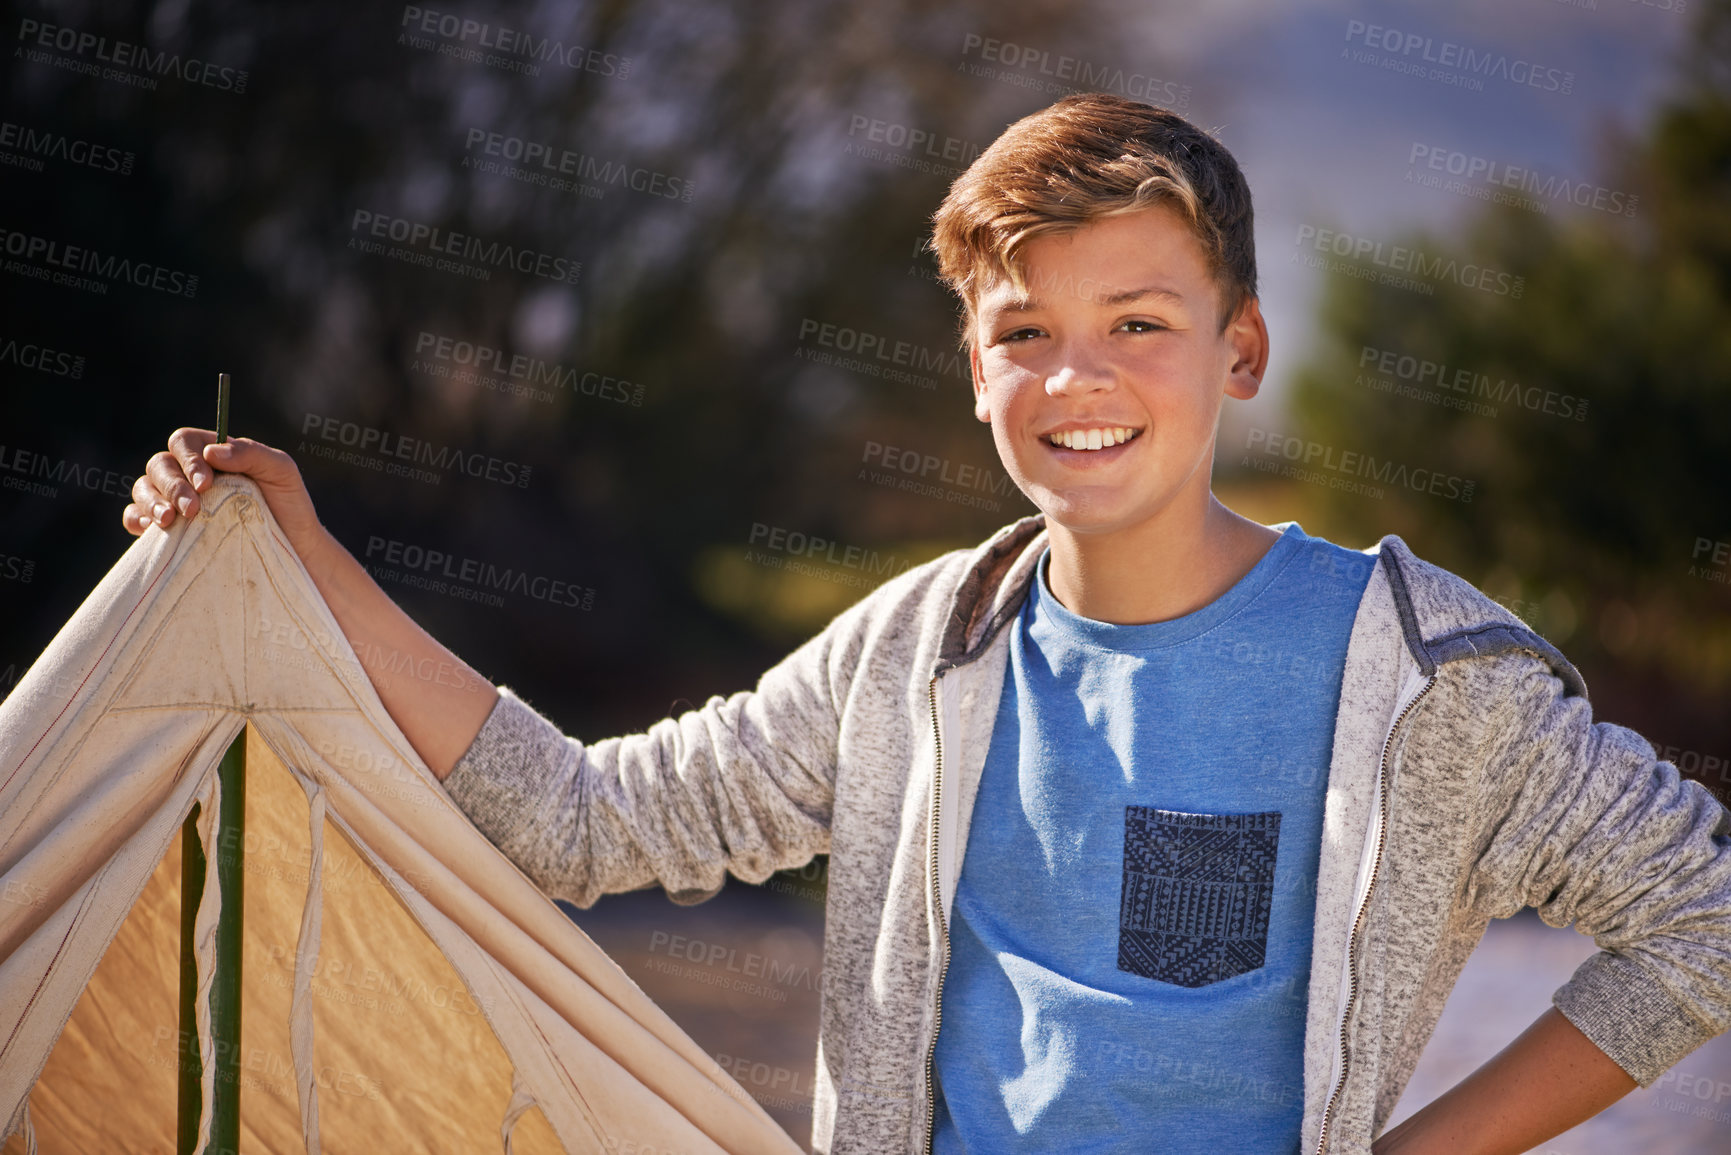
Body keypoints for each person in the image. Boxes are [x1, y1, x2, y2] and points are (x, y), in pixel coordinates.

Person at [122, 92, 1731, 1155]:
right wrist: (300, 553)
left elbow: (1705, 925)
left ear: (1239, 353)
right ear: (973, 371)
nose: (1077, 377)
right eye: (1024, 331)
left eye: (1141, 324)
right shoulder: (911, 654)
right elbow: (578, 822)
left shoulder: (1422, 678)